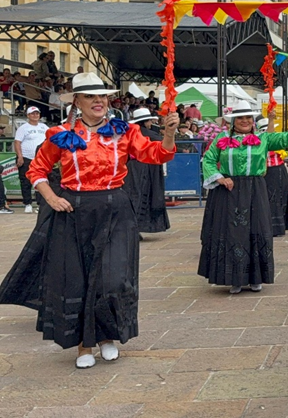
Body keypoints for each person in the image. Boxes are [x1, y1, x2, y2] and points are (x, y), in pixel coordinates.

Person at [6, 72, 178, 368]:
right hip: (74, 211)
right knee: (78, 279)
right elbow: (37, 170)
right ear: (77, 101)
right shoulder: (58, 134)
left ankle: (106, 336)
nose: (98, 101)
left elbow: (157, 155)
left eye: (102, 96)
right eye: (90, 96)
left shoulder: (124, 132)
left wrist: (169, 133)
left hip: (116, 209)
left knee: (113, 278)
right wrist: (51, 197)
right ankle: (84, 346)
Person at [198, 101, 288, 294]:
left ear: (252, 121)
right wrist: (220, 178)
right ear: (233, 121)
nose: (244, 121)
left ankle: (256, 278)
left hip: (255, 190)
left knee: (257, 229)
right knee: (232, 233)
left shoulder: (264, 138)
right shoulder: (221, 138)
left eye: (248, 118)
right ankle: (235, 278)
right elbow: (209, 160)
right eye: (240, 118)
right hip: (229, 190)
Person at [123, 108, 171, 234]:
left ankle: (132, 227)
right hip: (146, 168)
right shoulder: (151, 135)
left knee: (133, 195)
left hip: (132, 167)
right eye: (149, 121)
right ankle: (137, 227)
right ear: (145, 122)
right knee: (143, 195)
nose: (150, 124)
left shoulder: (129, 134)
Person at [257, 113, 288, 237]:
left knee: (282, 196)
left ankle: (280, 225)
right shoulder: (261, 140)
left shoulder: (275, 140)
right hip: (268, 171)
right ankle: (270, 227)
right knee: (270, 198)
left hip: (279, 169)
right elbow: (269, 136)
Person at [14, 107, 50, 213]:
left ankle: (40, 204)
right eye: (32, 114)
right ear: (28, 115)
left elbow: (50, 138)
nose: (35, 115)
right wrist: (20, 156)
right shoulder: (23, 128)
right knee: (25, 181)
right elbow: (17, 142)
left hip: (40, 158)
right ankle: (28, 203)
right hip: (26, 157)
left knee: (41, 180)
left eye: (37, 113)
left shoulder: (44, 127)